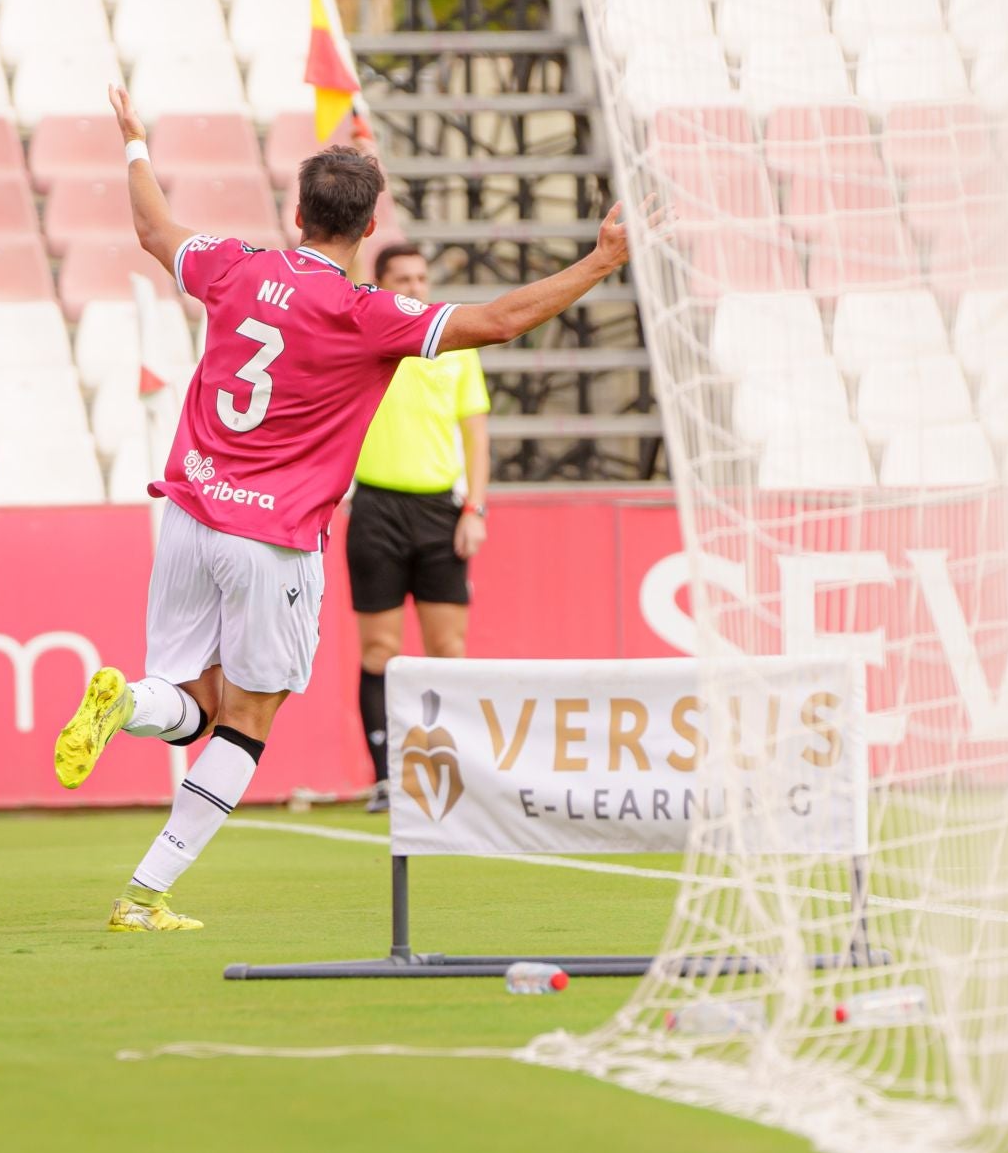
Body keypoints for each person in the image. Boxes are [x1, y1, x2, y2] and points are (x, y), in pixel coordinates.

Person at [53, 84, 640, 933]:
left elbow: (151, 229)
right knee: (247, 722)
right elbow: (501, 319)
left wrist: (136, 141)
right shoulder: (367, 313)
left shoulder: (233, 265)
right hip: (272, 539)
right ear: (371, 229)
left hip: (189, 512)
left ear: (296, 213)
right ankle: (144, 893)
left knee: (193, 706)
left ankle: (129, 705)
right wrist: (599, 263)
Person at [345, 243, 490, 813]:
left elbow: (476, 434)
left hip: (440, 513)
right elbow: (347, 277)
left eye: (422, 277)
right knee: (380, 650)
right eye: (401, 278)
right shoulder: (369, 334)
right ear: (380, 283)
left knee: (447, 649)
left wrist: (474, 509)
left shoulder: (455, 345)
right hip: (376, 507)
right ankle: (385, 776)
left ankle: (451, 771)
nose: (415, 287)